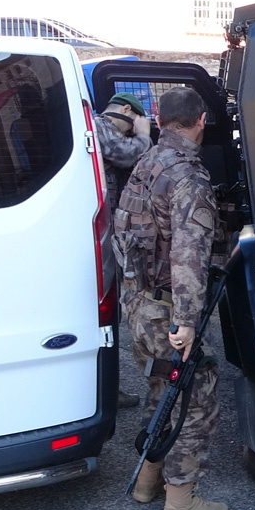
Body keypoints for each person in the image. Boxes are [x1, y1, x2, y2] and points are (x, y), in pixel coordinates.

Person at [112, 87, 227, 510]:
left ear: (159, 119)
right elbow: (188, 255)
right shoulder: (187, 177)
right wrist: (187, 321)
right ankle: (181, 503)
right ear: (201, 120)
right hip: (166, 308)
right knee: (196, 395)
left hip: (139, 301)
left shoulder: (145, 163)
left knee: (164, 386)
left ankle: (146, 480)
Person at [97, 91, 153, 409]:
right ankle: (104, 394)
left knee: (109, 317)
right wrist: (144, 137)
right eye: (133, 125)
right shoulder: (100, 125)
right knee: (103, 317)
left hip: (107, 236)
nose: (133, 132)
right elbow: (126, 154)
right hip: (97, 236)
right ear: (128, 111)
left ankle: (108, 391)